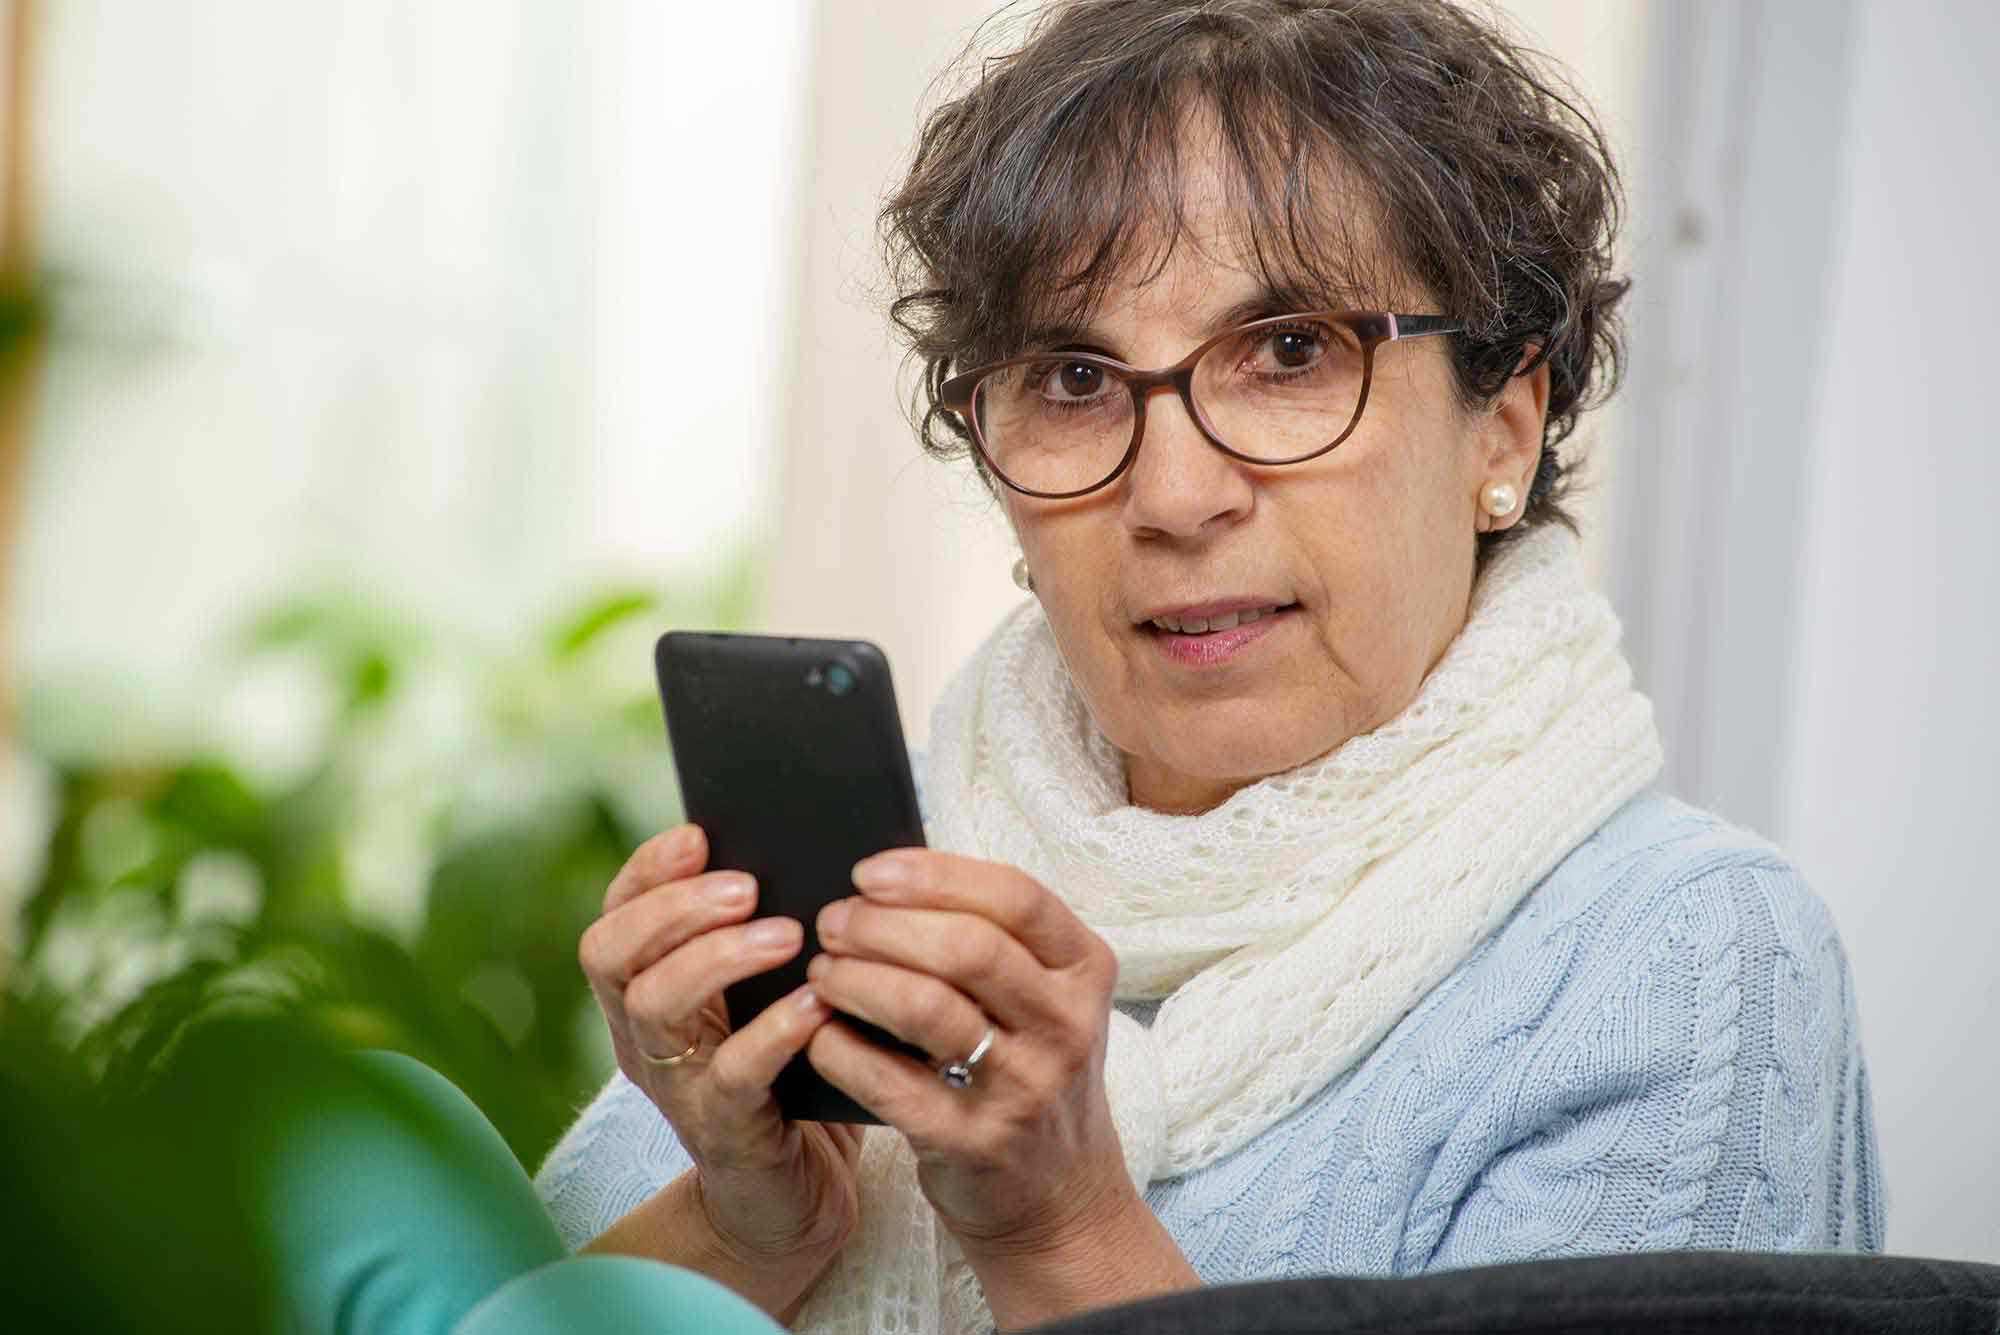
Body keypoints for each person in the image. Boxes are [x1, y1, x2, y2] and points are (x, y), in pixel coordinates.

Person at [536, 2, 1885, 1332]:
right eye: (1073, 379)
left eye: (1292, 352)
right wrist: (746, 1227)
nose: (1176, 497)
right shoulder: (887, 878)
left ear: (1505, 431)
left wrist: (1062, 1231)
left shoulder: (1681, 961)